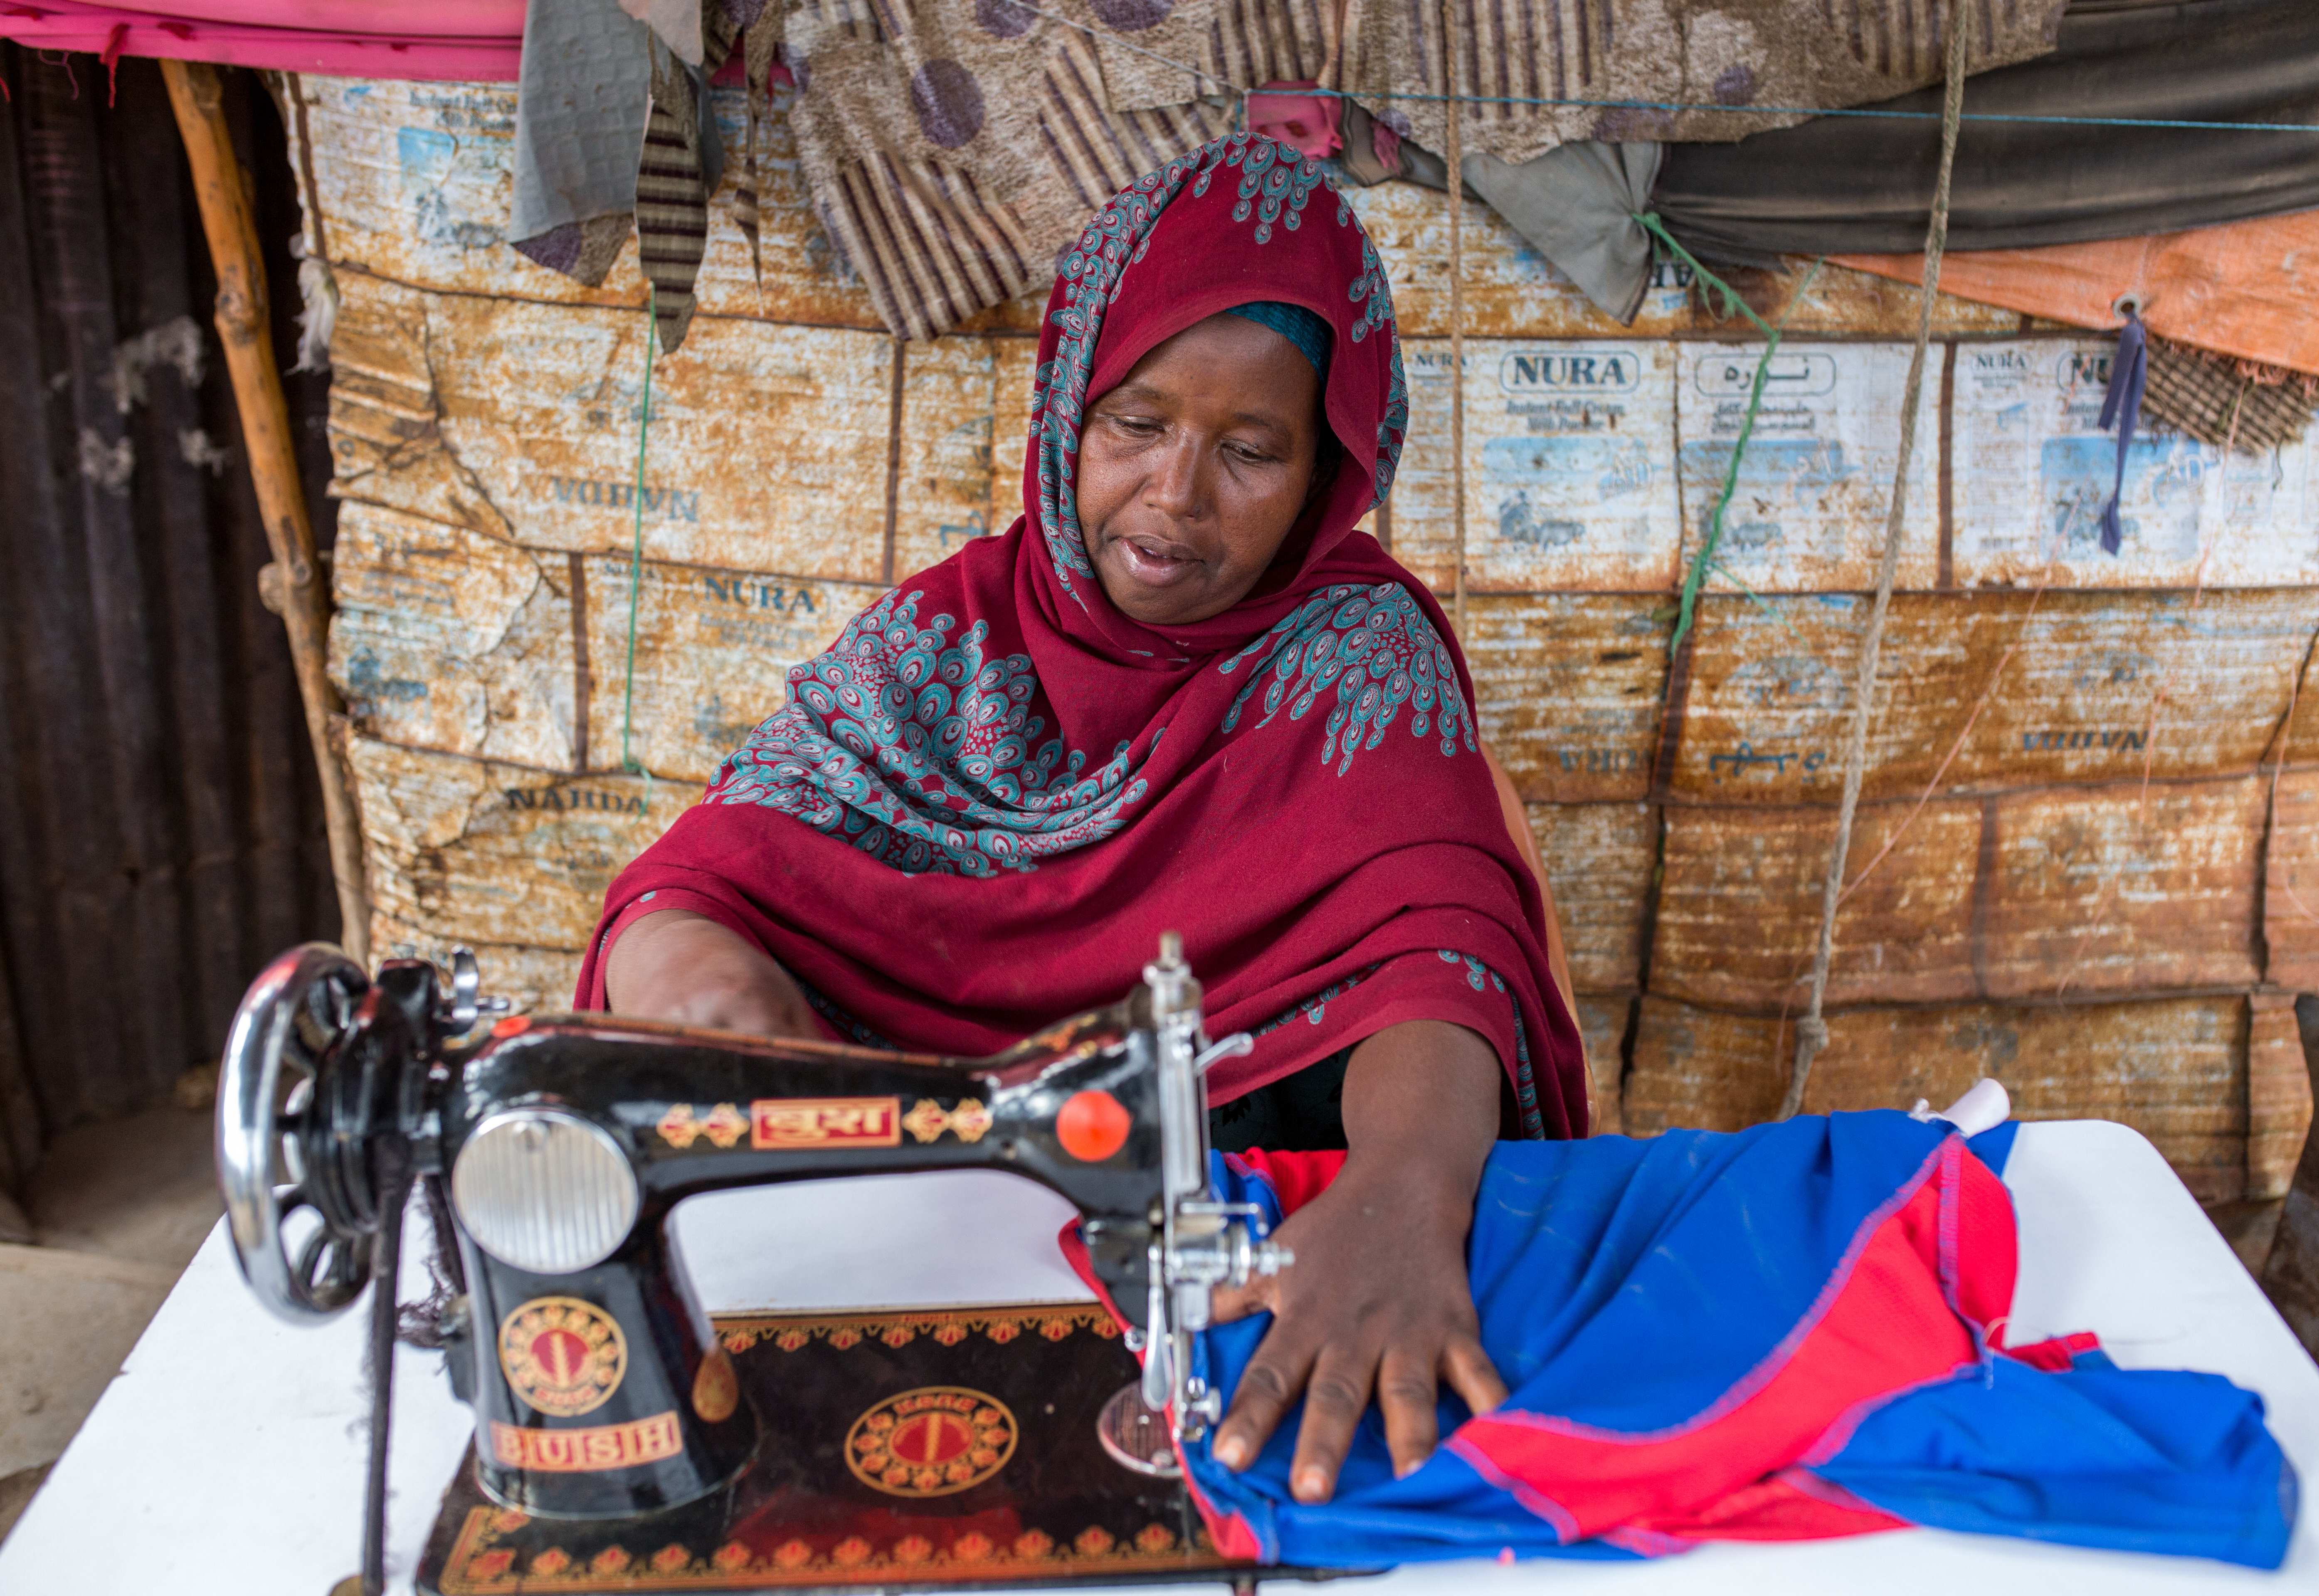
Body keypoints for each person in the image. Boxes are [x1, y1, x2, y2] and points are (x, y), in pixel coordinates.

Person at [578, 133, 1583, 1505]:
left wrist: (1407, 1193)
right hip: (923, 1271)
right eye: (1137, 424)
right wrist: (703, 979)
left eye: (1250, 451)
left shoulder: (1354, 662)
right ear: (1069, 406)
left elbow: (1439, 955)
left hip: (1280, 1271)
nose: (1175, 496)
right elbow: (714, 871)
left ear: (1328, 472)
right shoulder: (950, 641)